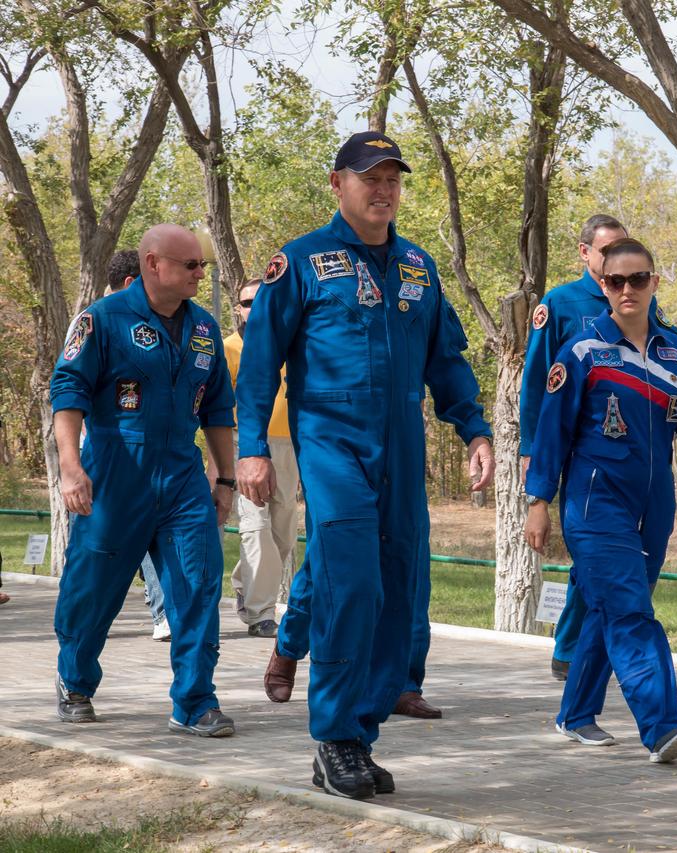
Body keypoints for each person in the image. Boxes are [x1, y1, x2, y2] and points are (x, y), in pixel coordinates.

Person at [236, 130, 494, 800]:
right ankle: (336, 735)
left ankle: (361, 730)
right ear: (337, 184)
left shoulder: (417, 266)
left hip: (402, 439)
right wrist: (251, 448)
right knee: (351, 581)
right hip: (330, 435)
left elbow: (448, 360)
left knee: (399, 583)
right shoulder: (299, 263)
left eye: (392, 179)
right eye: (368, 177)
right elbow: (260, 365)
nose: (382, 190)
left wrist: (474, 429)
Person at [525, 237, 677, 764]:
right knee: (630, 609)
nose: (626, 289)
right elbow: (551, 431)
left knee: (611, 610)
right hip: (594, 500)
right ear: (602, 285)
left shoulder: (676, 351)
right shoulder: (583, 351)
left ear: (654, 282)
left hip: (654, 504)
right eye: (615, 281)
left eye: (637, 279)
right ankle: (660, 727)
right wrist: (538, 500)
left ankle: (576, 713)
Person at [50, 224, 237, 737]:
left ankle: (195, 702)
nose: (201, 273)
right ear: (153, 264)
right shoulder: (102, 320)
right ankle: (75, 682)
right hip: (115, 474)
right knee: (92, 589)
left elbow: (219, 407)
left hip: (182, 475)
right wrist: (71, 467)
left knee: (198, 586)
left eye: (203, 265)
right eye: (190, 265)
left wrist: (225, 481)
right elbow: (68, 393)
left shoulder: (204, 329)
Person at [223, 277, 299, 638]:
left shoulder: (292, 344)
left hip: (290, 446)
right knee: (256, 527)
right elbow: (218, 410)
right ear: (237, 308)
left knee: (283, 532)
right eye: (247, 302)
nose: (253, 308)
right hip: (247, 446)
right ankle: (260, 613)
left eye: (260, 301)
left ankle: (244, 583)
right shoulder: (230, 349)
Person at [106, 249, 169, 641]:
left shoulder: (176, 324)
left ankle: (164, 613)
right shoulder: (97, 322)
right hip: (108, 463)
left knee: (155, 538)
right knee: (102, 554)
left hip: (161, 460)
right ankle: (86, 623)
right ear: (133, 283)